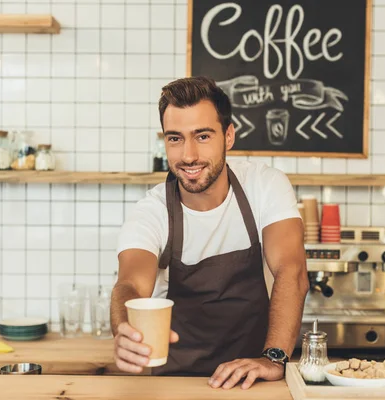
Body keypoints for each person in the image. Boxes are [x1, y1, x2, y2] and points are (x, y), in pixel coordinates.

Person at [111, 76, 309, 390]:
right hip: (176, 385)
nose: (188, 155)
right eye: (175, 138)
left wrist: (273, 357)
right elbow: (129, 284)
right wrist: (123, 327)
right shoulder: (152, 210)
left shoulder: (264, 184)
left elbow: (292, 269)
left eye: (202, 136)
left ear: (228, 136)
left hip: (252, 380)